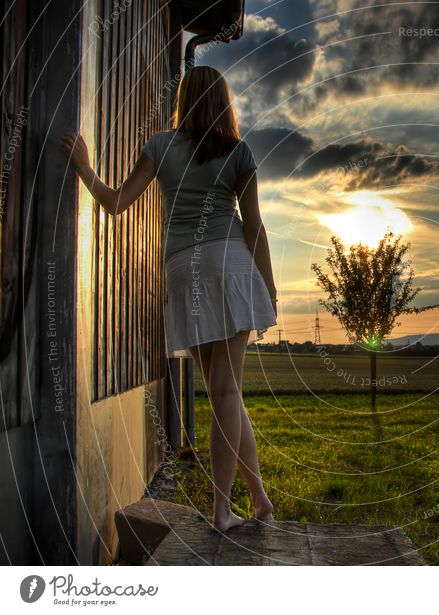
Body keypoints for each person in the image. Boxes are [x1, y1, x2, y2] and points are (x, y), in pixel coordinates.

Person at [60, 66, 277, 532]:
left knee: (223, 395)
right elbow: (255, 227)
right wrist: (270, 285)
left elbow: (117, 203)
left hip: (185, 273)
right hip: (230, 264)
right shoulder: (237, 152)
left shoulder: (160, 145)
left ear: (183, 99)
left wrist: (84, 167)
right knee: (227, 392)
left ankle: (257, 496)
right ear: (223, 101)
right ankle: (223, 511)